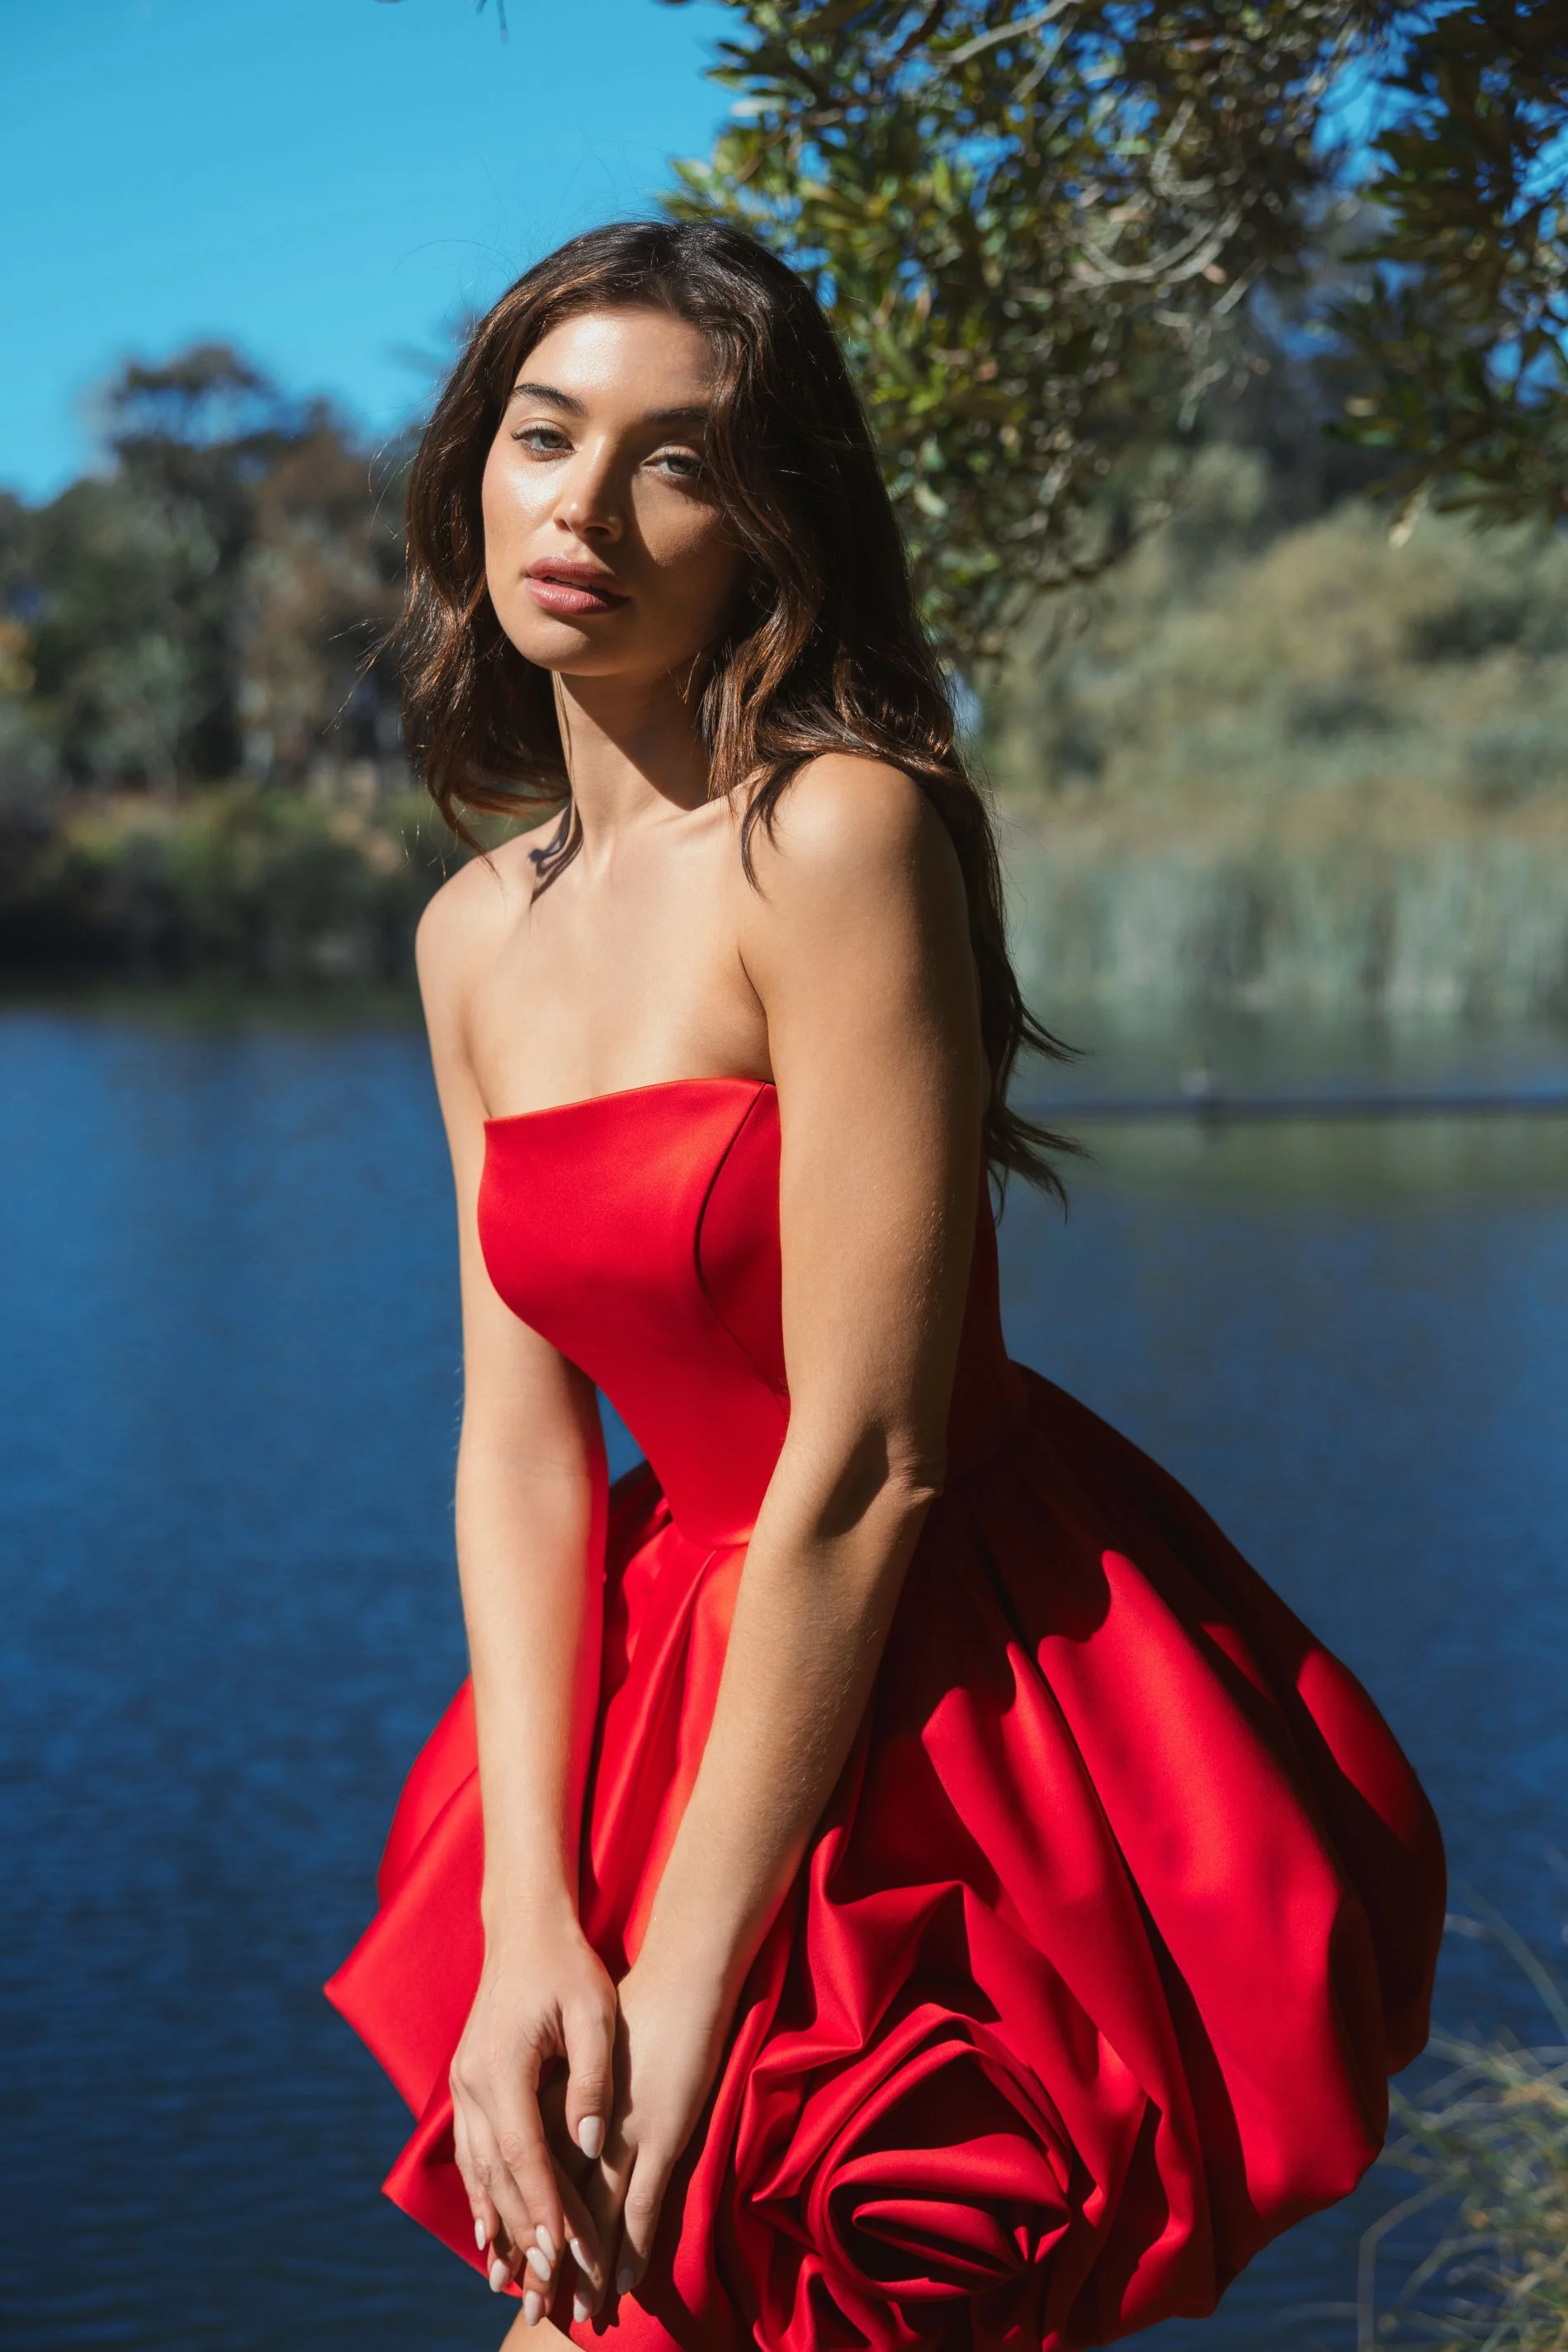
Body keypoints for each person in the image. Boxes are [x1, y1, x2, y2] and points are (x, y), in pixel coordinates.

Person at [326, 220, 1444, 2352]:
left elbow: (867, 1459)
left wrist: (684, 1990)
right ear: (472, 467)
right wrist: (532, 1917)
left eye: (673, 461)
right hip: (651, 1693)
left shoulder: (836, 839)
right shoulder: (472, 937)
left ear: (771, 529)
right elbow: (522, 1446)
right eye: (544, 436)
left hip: (928, 1690)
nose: (583, 506)